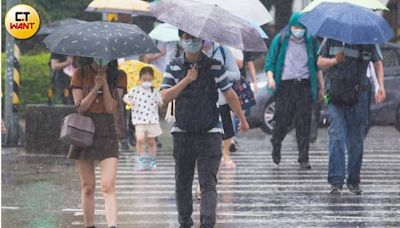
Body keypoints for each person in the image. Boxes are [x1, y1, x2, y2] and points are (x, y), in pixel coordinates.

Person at [161, 30, 249, 228]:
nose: (191, 42)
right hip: (182, 133)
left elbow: (230, 94)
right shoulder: (173, 66)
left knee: (208, 183)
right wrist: (186, 80)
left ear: (203, 41)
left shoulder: (215, 66)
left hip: (210, 132)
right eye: (186, 38)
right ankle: (185, 222)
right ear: (181, 40)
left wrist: (242, 120)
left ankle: (207, 224)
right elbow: (164, 97)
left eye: (195, 38)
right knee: (183, 182)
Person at [318, 38, 386, 195]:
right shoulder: (330, 39)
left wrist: (380, 86)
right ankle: (336, 181)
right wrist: (335, 60)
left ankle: (353, 180)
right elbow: (319, 62)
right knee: (336, 136)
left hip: (359, 95)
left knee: (356, 140)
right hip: (335, 95)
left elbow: (378, 63)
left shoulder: (367, 39)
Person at [69, 57, 127, 228]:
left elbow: (111, 108)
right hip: (84, 129)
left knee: (108, 185)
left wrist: (105, 85)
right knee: (88, 186)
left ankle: (112, 225)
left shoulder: (119, 75)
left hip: (108, 130)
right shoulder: (80, 73)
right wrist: (95, 88)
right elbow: (79, 107)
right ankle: (90, 225)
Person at [264, 12, 324, 169]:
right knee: (283, 120)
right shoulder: (281, 39)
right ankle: (276, 142)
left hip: (304, 85)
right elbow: (270, 61)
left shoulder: (310, 41)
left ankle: (303, 158)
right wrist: (271, 78)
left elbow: (317, 66)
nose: (299, 30)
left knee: (304, 123)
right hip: (285, 85)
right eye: (296, 27)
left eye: (302, 27)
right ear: (290, 26)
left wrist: (321, 87)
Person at [203, 41, 241, 169]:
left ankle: (225, 155)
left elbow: (236, 74)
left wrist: (218, 73)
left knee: (225, 129)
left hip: (221, 98)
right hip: (200, 100)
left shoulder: (224, 51)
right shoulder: (191, 53)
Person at [123, 66, 163, 170]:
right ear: (140, 78)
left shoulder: (155, 91)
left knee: (151, 141)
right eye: (144, 79)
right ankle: (140, 161)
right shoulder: (135, 90)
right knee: (140, 139)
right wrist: (129, 102)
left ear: (152, 79)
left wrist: (160, 103)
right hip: (139, 119)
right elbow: (126, 97)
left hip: (152, 120)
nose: (146, 81)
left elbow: (161, 102)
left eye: (149, 79)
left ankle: (152, 161)